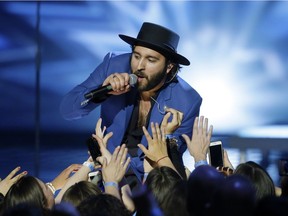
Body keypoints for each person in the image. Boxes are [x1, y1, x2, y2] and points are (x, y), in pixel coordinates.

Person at [60, 22, 202, 184]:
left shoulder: (186, 100)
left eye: (151, 60)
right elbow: (67, 109)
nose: (139, 66)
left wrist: (116, 163)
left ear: (169, 66)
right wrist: (102, 92)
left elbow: (166, 162)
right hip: (106, 172)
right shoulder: (113, 66)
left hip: (151, 179)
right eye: (136, 56)